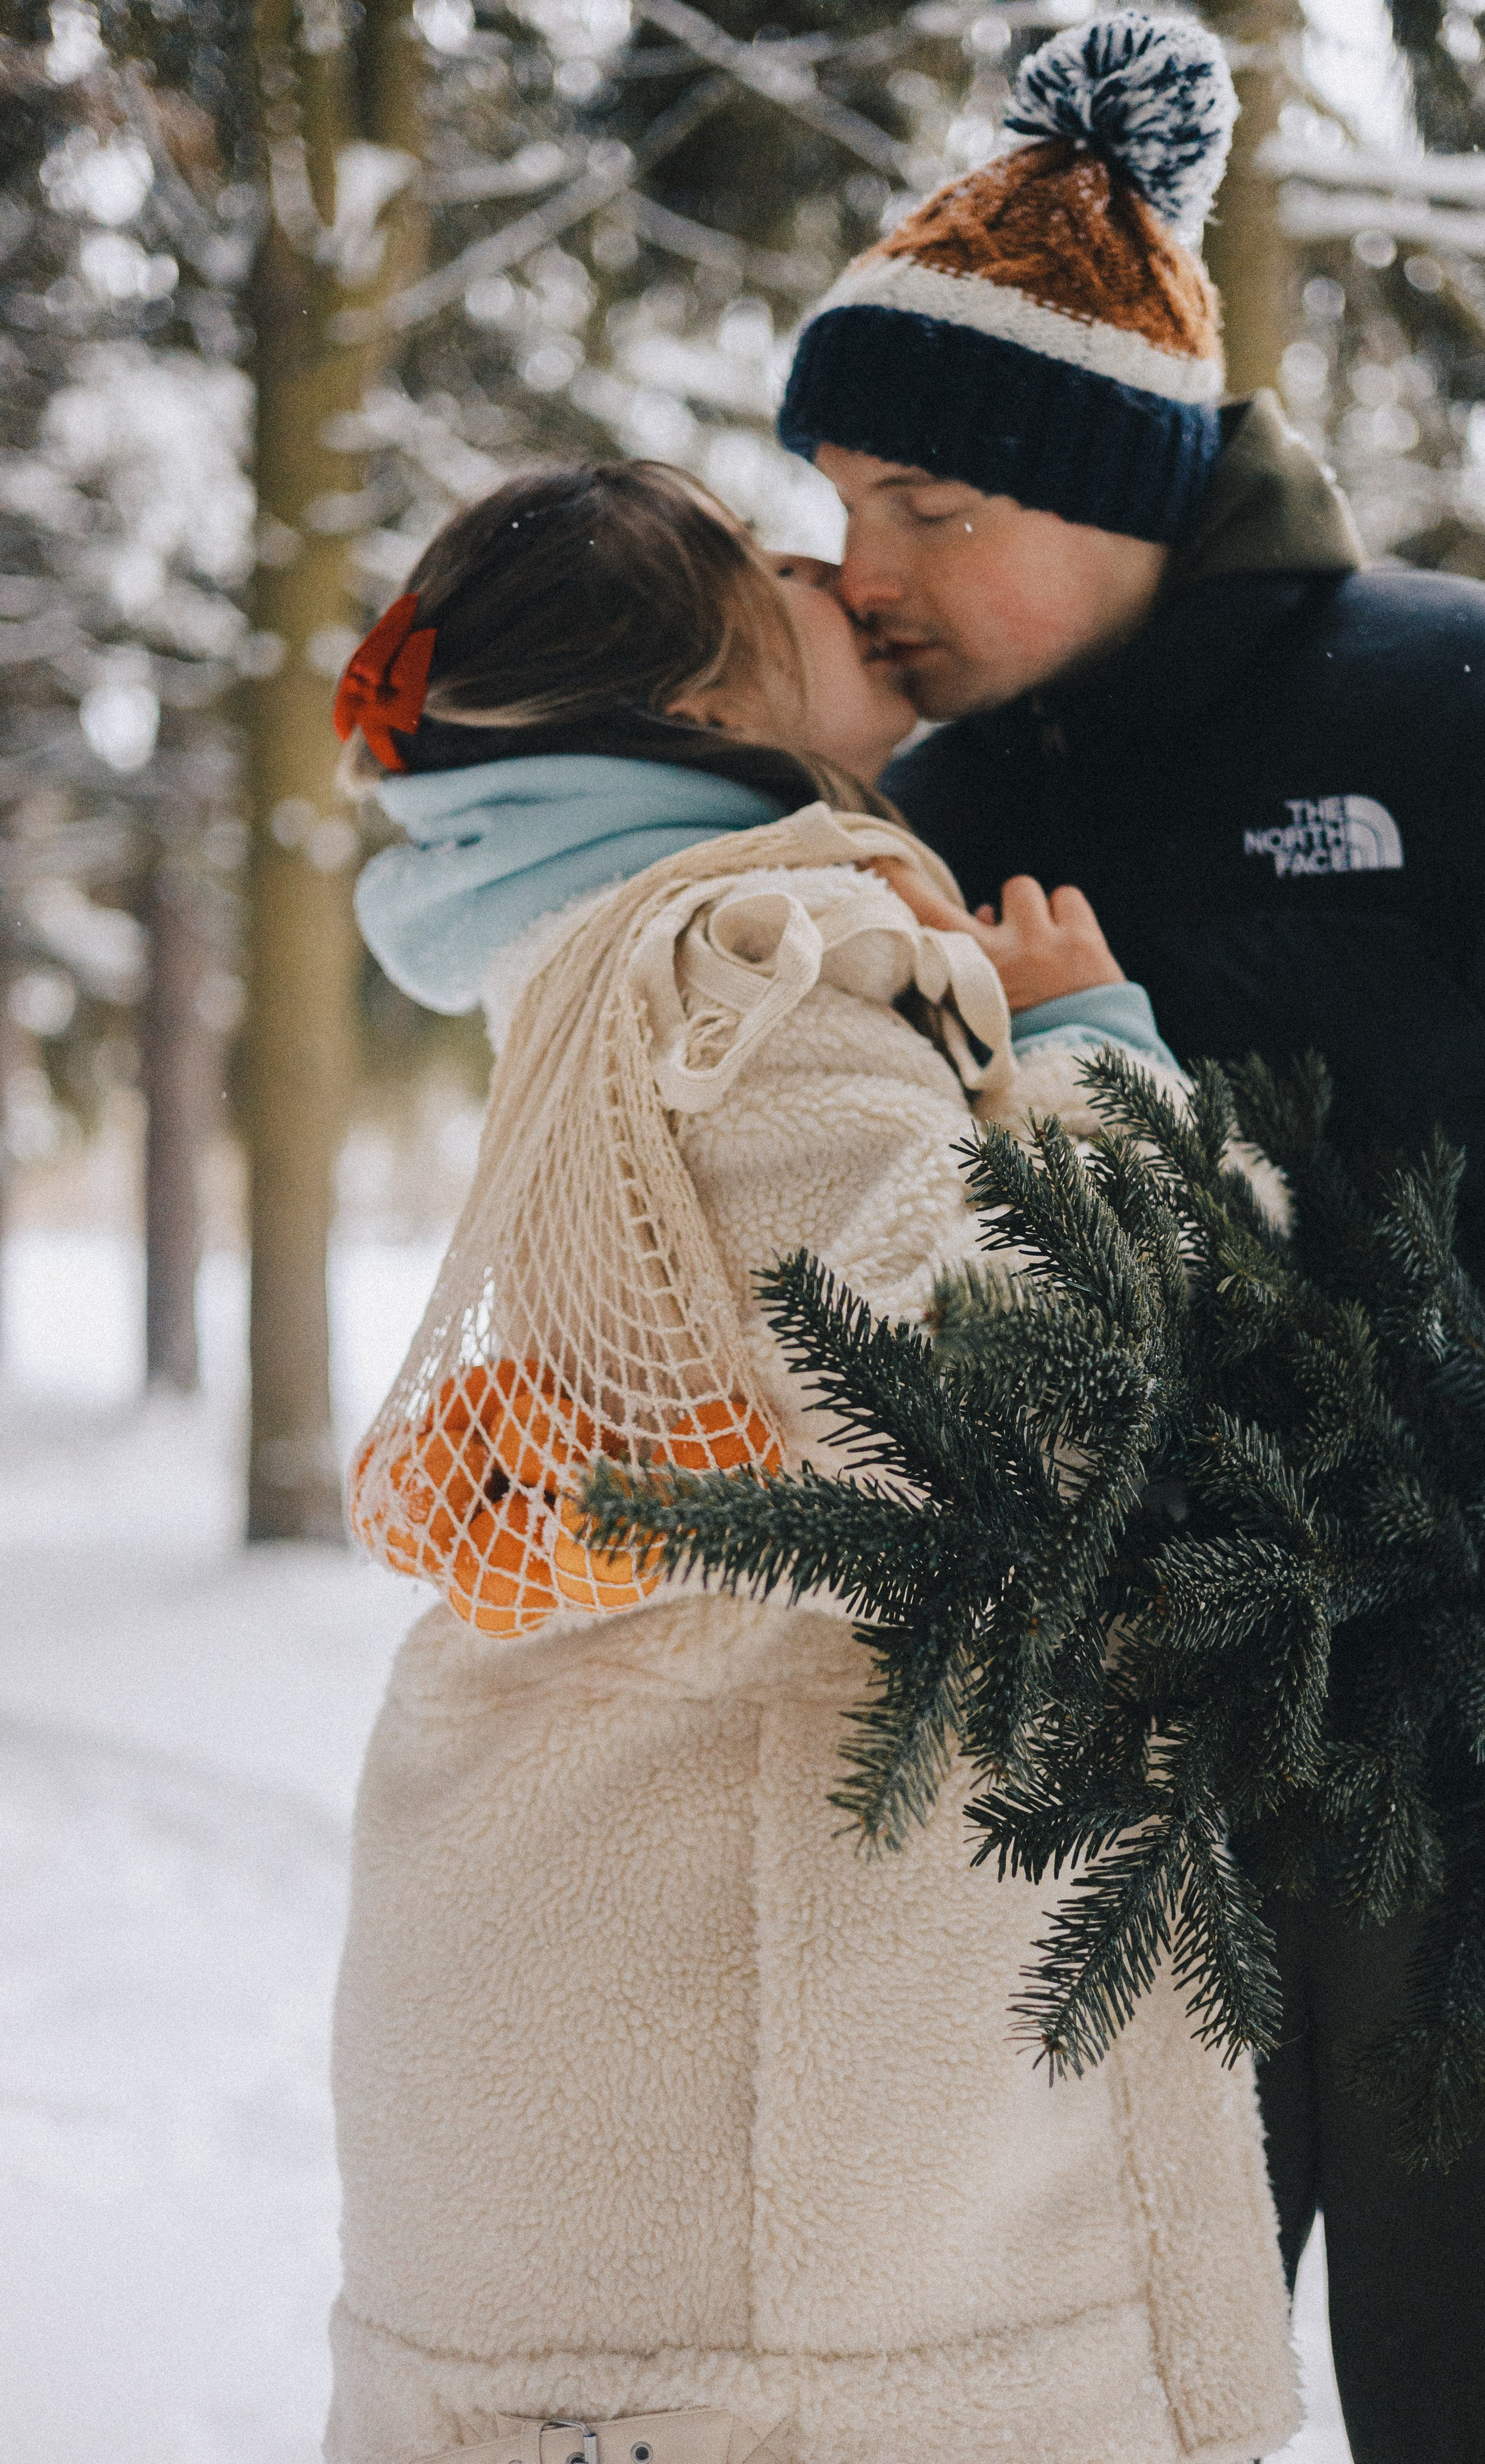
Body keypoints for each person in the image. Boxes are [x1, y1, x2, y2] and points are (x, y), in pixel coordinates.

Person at [776, 13, 1485, 2463]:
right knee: (1072, 2413)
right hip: (1094, 1811)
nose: (872, 566)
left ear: (1121, 482)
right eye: (842, 499)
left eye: (932, 500)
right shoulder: (910, 822)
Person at [324, 457, 1298, 2464]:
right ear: (697, 708)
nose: (833, 567)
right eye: (766, 562)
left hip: (650, 2017)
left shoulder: (594, 965)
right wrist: (1099, 1064)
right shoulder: (741, 967)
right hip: (773, 2106)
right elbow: (1029, 1408)